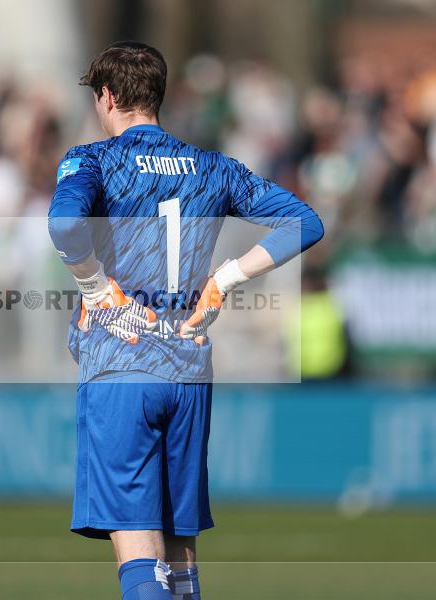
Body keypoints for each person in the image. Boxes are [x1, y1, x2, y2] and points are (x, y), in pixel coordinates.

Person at [48, 41, 324, 600]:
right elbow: (304, 222)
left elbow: (64, 224)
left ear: (106, 96)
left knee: (138, 547)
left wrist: (96, 287)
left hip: (121, 367)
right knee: (179, 553)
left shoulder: (93, 160)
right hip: (188, 369)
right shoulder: (212, 168)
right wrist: (225, 279)